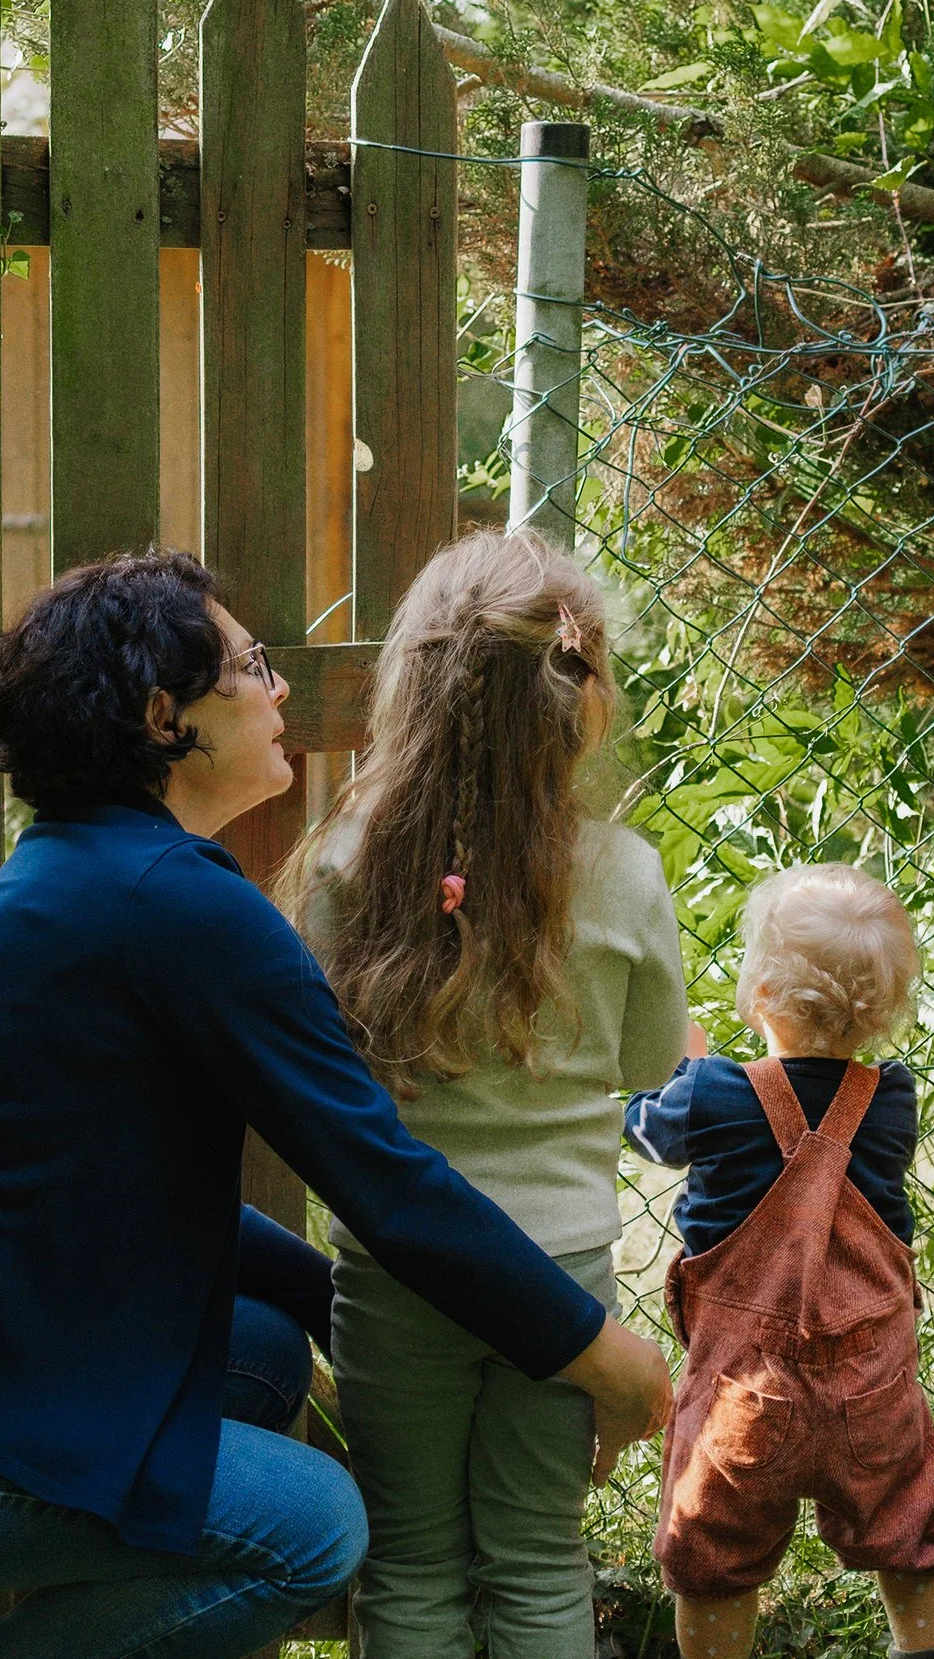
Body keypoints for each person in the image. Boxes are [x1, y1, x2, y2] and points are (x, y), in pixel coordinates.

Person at [0, 551, 674, 1659]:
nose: (281, 686)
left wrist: (342, 1301)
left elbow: (130, 1195)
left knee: (254, 1353)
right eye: (250, 666)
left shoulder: (100, 874)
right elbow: (387, 1184)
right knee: (309, 1529)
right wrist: (602, 1355)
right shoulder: (178, 907)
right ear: (165, 715)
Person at [276, 530, 690, 1659]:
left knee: (407, 1557)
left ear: (410, 685)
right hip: (559, 1276)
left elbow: (322, 1064)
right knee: (535, 1556)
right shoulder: (625, 874)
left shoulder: (347, 862)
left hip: (395, 1266)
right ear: (582, 699)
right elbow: (655, 1065)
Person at [625, 865, 934, 1659]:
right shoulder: (892, 1100)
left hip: (743, 1398)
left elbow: (644, 1130)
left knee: (713, 1559)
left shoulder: (711, 1094)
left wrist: (672, 1067)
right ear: (883, 1013)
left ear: (759, 993)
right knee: (912, 1534)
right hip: (875, 1392)